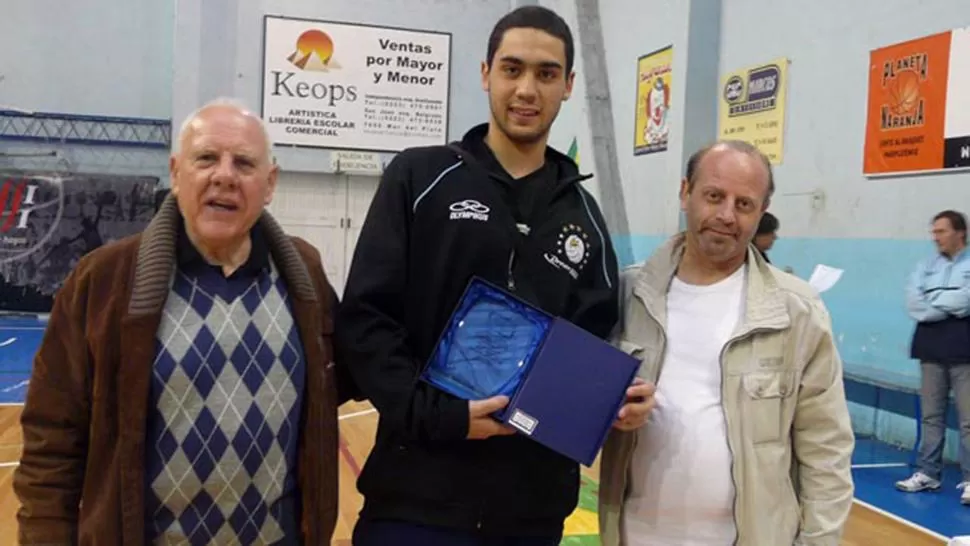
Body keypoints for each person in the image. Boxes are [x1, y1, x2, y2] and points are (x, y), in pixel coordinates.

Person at [335, 6, 654, 545]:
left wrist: (615, 399)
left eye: (546, 74)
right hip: (414, 500)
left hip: (529, 513)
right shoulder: (421, 177)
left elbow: (594, 341)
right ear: (486, 74)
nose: (527, 89)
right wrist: (442, 418)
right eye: (512, 69)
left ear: (569, 85)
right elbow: (366, 320)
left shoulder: (585, 217)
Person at [14, 98, 356, 545]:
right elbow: (51, 440)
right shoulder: (102, 280)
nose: (225, 176)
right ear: (176, 173)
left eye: (245, 163)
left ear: (269, 183)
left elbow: (349, 375)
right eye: (207, 158)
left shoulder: (304, 274)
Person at [598, 141, 855, 545]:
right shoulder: (629, 293)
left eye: (744, 204)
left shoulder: (797, 312)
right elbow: (583, 404)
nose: (725, 216)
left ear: (761, 212)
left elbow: (827, 451)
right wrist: (609, 412)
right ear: (686, 193)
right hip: (636, 534)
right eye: (714, 196)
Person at [896, 209, 970, 505]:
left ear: (960, 233)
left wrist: (933, 301)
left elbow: (966, 300)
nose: (935, 237)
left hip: (964, 349)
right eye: (934, 232)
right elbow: (914, 302)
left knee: (968, 420)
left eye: (941, 231)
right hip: (930, 347)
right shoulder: (925, 266)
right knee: (931, 416)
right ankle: (928, 473)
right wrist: (944, 305)